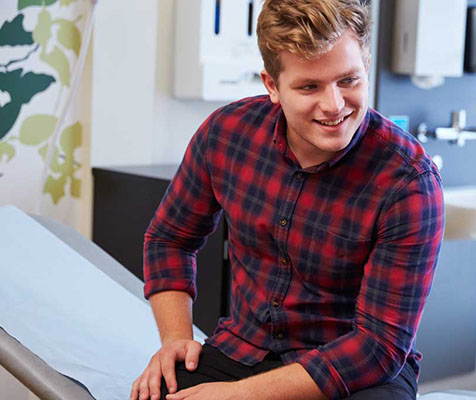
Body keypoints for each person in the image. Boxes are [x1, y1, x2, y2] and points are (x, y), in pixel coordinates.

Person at [129, 1, 444, 399]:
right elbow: (169, 239)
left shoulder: (408, 181)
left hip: (356, 371)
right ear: (272, 86)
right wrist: (175, 339)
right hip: (244, 350)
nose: (334, 105)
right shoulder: (227, 135)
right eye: (309, 86)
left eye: (349, 80)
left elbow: (379, 346)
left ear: (365, 65)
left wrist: (238, 397)